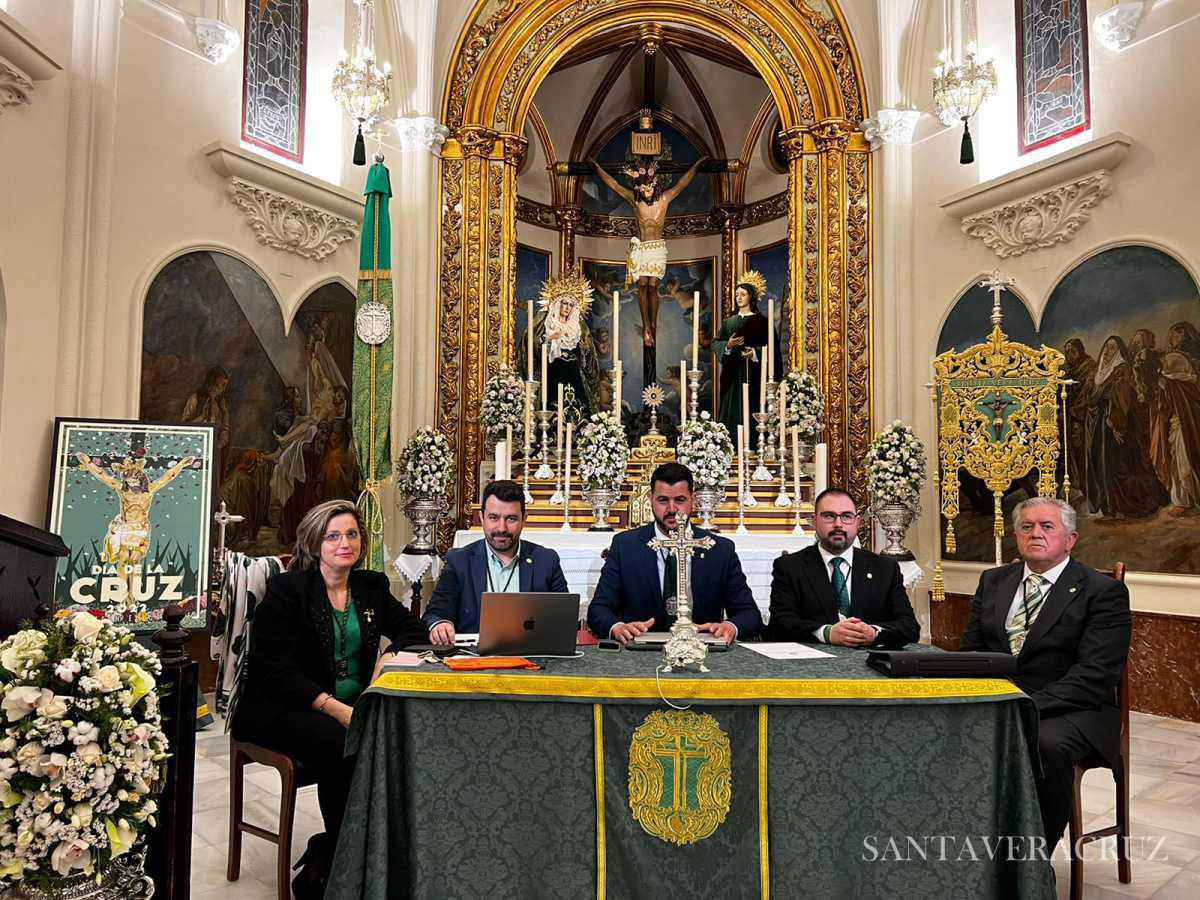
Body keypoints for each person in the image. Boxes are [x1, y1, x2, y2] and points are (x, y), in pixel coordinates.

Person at [231, 499, 428, 898]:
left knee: (389, 736)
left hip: (351, 709)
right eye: (333, 535)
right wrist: (338, 710)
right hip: (281, 708)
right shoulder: (289, 590)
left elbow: (414, 630)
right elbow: (276, 673)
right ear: (314, 543)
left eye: (352, 534)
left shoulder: (371, 586)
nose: (344, 543)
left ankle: (340, 852)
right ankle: (344, 861)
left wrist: (388, 658)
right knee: (347, 743)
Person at [959, 497, 1130, 851]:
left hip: (1073, 708)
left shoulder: (1102, 592)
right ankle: (970, 844)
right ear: (1016, 536)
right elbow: (971, 654)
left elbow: (1095, 675)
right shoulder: (993, 581)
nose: (1035, 533)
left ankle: (1033, 862)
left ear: (1070, 539)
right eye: (1027, 526)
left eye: (1047, 526)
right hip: (1002, 699)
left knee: (1043, 743)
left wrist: (1025, 705)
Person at [587, 462, 763, 644]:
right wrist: (618, 627)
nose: (672, 509)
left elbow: (749, 614)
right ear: (651, 500)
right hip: (639, 652)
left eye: (680, 500)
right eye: (663, 500)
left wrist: (730, 626)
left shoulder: (720, 549)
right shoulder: (626, 546)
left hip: (704, 651)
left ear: (692, 500)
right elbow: (599, 610)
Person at [767, 488, 919, 647]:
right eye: (829, 516)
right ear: (814, 521)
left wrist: (873, 632)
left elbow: (909, 627)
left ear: (857, 522)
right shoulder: (790, 567)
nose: (838, 524)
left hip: (871, 663)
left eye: (846, 516)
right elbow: (779, 625)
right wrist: (827, 633)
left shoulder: (885, 569)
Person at [424, 480, 569, 644]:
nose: (502, 528)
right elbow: (436, 612)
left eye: (511, 519)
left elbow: (563, 618)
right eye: (493, 518)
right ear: (481, 518)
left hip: (532, 656)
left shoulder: (546, 560)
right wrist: (441, 624)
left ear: (524, 519)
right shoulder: (459, 561)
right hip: (473, 660)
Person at [590, 153, 706, 348]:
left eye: (649, 187)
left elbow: (683, 183)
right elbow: (615, 186)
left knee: (653, 287)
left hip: (657, 247)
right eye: (643, 189)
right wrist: (596, 168)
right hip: (642, 247)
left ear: (655, 184)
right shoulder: (636, 201)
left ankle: (653, 323)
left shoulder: (665, 199)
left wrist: (697, 165)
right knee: (642, 286)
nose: (646, 192)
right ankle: (646, 326)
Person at [1085, 334, 1168, 517]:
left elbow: (1125, 398)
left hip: (1119, 423)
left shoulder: (1122, 369)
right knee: (1102, 461)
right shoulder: (1098, 372)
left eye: (1113, 348)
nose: (1108, 351)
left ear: (1119, 351)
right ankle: (1109, 506)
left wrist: (1115, 422)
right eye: (1107, 347)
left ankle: (1128, 505)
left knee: (1120, 464)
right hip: (1100, 425)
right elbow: (1092, 399)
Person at [712, 273, 779, 438]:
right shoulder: (729, 322)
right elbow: (716, 343)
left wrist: (755, 354)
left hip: (754, 376)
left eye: (743, 294)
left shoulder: (762, 322)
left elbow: (773, 349)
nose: (739, 297)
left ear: (751, 297)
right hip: (732, 377)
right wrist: (728, 345)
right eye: (736, 295)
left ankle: (756, 446)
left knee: (752, 408)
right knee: (731, 410)